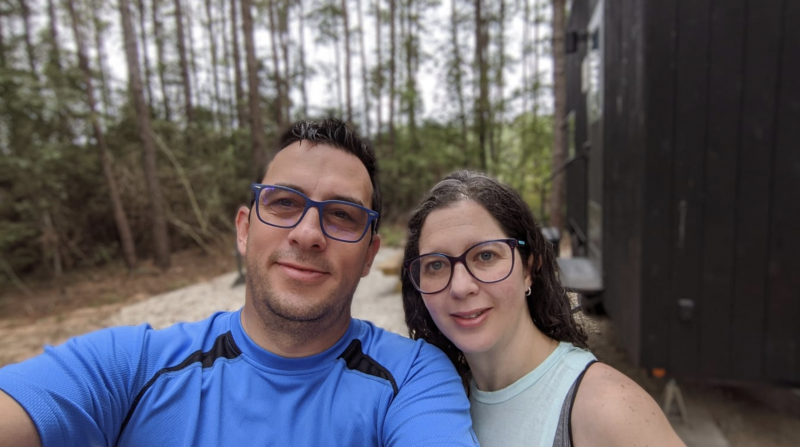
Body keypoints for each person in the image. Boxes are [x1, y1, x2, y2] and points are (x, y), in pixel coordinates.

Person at [0, 119, 478, 447]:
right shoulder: (132, 366)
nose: (308, 233)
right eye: (285, 203)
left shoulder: (413, 378)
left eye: (343, 215)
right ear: (245, 228)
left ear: (371, 253)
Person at [401, 170, 685, 447]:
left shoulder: (609, 409)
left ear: (529, 269)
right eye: (436, 264)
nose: (460, 287)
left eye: (485, 255)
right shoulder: (429, 401)